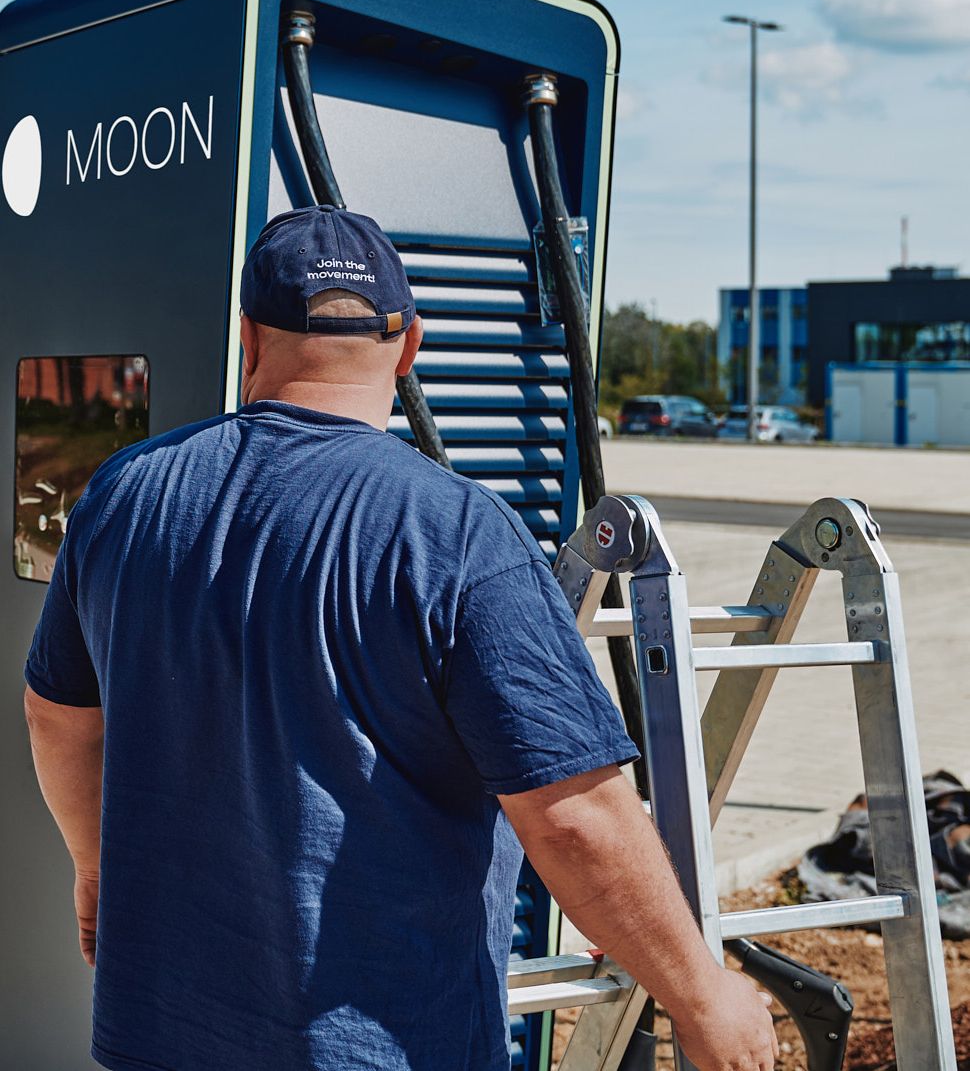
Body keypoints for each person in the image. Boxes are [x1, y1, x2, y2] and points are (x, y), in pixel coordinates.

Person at [24, 204, 776, 1071]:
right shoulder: (458, 535)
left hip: (157, 1033)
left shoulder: (124, 494)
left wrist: (95, 865)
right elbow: (572, 819)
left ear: (248, 340)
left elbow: (58, 719)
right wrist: (703, 995)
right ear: (410, 346)